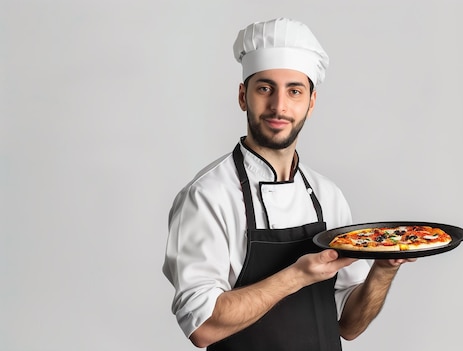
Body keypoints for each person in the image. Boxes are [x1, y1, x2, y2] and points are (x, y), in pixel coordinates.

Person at [162, 18, 416, 350]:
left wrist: (383, 269)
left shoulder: (327, 194)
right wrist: (298, 276)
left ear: (311, 103)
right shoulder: (207, 196)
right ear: (243, 96)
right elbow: (203, 326)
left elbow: (348, 325)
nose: (279, 106)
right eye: (265, 88)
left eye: (294, 91)